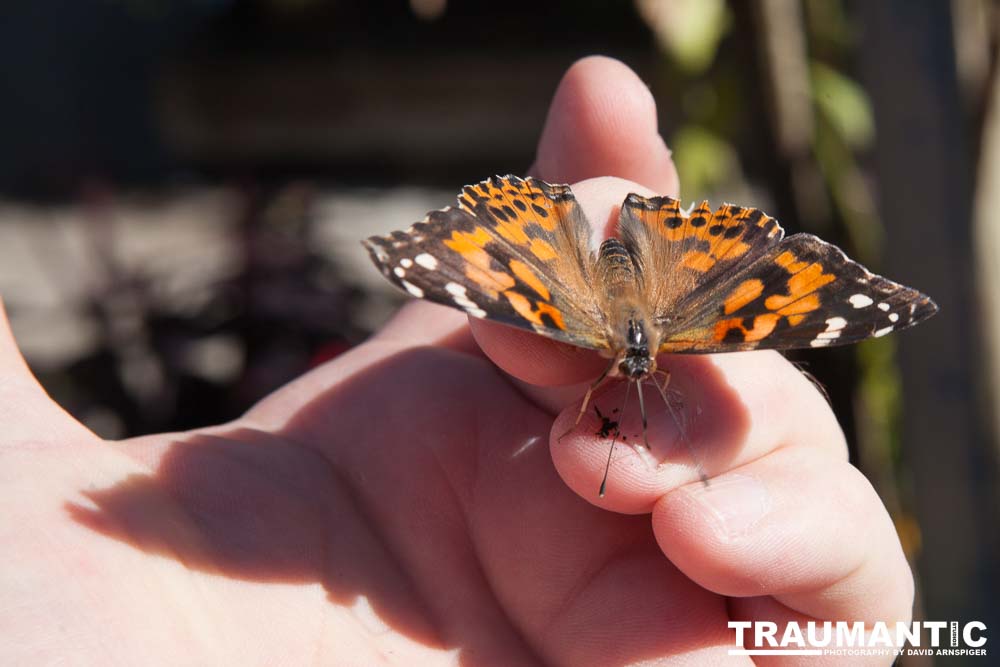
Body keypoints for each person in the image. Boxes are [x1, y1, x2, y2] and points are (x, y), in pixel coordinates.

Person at [0, 57, 911, 665]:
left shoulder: (622, 350)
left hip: (597, 291)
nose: (636, 381)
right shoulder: (637, 348)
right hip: (650, 289)